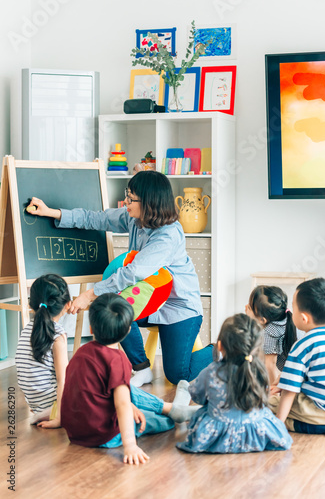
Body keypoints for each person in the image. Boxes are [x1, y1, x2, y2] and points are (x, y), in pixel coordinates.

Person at [27, 171, 213, 387]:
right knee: (115, 309)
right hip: (151, 300)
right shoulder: (135, 219)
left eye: (132, 198)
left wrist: (91, 294)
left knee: (179, 373)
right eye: (128, 194)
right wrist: (52, 212)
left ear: (149, 203)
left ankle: (223, 348)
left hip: (177, 306)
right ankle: (142, 368)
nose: (126, 201)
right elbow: (96, 218)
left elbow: (132, 273)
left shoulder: (168, 235)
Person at [61, 293, 199, 465]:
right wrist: (131, 446)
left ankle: (174, 408)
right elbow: (122, 405)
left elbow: (83, 390)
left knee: (125, 393)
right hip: (104, 436)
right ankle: (175, 412)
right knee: (161, 422)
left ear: (91, 327)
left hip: (76, 433)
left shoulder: (81, 352)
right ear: (127, 331)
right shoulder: (117, 359)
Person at [176, 313, 292, 454]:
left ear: (220, 346)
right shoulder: (260, 371)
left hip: (218, 435)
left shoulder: (211, 372)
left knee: (202, 413)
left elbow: (197, 397)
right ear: (255, 348)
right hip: (255, 433)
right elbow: (263, 398)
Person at [270, 278, 325, 435]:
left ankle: (288, 424)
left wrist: (278, 422)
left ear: (304, 318)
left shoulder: (303, 345)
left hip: (318, 414)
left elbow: (289, 392)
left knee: (265, 403)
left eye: (293, 306)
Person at [15, 274, 71, 428]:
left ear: (31, 304)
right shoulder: (58, 334)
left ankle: (45, 411)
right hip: (55, 405)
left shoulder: (27, 329)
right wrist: (59, 419)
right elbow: (63, 380)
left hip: (36, 405)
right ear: (67, 305)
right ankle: (54, 411)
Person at [245, 285, 297, 384]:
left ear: (262, 320)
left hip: (283, 376)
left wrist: (273, 396)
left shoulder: (270, 332)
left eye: (250, 307)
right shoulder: (281, 318)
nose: (245, 307)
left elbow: (270, 366)